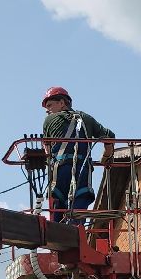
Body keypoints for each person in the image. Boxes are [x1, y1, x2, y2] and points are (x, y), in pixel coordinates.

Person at [39, 87, 114, 221]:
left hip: (61, 170)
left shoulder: (49, 120)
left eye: (50, 105)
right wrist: (106, 156)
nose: (47, 110)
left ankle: (57, 233)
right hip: (82, 170)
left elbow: (47, 149)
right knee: (80, 200)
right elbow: (109, 136)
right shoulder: (86, 118)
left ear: (62, 103)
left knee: (59, 204)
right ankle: (76, 230)